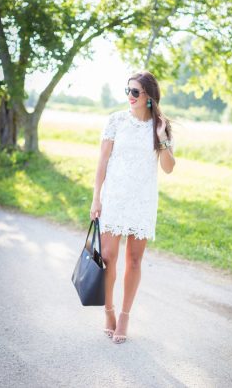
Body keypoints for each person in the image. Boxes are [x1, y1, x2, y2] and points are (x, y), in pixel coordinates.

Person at [90, 71, 175, 344]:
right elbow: (102, 161)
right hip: (114, 197)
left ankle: (125, 316)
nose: (130, 96)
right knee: (107, 257)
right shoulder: (115, 120)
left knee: (134, 261)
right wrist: (96, 197)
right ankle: (108, 311)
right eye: (128, 90)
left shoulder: (160, 126)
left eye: (135, 92)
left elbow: (168, 168)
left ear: (149, 96)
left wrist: (161, 136)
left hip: (142, 201)